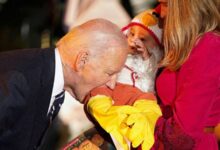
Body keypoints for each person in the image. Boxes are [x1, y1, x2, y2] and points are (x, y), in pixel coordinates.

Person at [0, 19, 129, 150]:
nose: (112, 84)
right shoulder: (16, 82)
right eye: (109, 73)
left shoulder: (48, 78)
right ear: (82, 60)